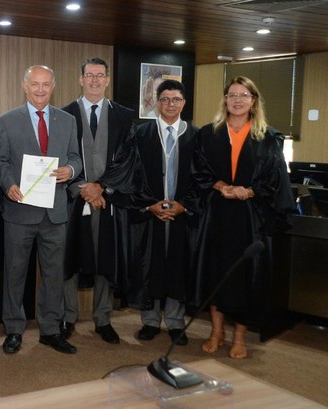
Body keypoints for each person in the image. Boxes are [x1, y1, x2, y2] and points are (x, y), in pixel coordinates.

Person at [192, 76, 293, 359]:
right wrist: (223, 187)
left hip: (251, 216)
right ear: (224, 99)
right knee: (216, 273)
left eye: (244, 95)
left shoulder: (269, 137)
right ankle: (215, 332)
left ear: (253, 101)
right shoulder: (208, 134)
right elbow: (198, 171)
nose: (237, 100)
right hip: (217, 214)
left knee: (247, 275)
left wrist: (248, 191)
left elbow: (275, 178)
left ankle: (239, 336)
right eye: (232, 95)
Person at [0, 66, 80, 355]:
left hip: (55, 213)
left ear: (54, 85)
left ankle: (50, 330)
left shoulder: (68, 120)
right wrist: (8, 185)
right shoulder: (7, 120)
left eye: (46, 84)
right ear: (25, 86)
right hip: (19, 211)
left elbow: (75, 157)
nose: (41, 90)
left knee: (54, 274)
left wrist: (70, 170)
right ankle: (14, 330)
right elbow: (3, 162)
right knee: (15, 274)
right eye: (35, 84)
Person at [61, 57, 141, 344]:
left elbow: (127, 160)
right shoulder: (64, 114)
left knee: (106, 257)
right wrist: (81, 188)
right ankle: (68, 316)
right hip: (73, 200)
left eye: (100, 75)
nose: (95, 80)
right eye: (89, 75)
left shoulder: (123, 116)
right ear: (80, 79)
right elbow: (57, 158)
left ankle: (103, 318)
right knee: (69, 260)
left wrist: (102, 188)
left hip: (108, 201)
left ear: (107, 80)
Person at [128, 80, 198, 346]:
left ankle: (176, 323)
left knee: (177, 265)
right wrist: (149, 205)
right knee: (151, 265)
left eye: (176, 99)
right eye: (165, 99)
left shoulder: (194, 135)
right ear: (157, 103)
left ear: (183, 103)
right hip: (151, 212)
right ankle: (149, 321)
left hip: (182, 213)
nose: (171, 104)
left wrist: (185, 204)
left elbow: (201, 177)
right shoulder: (141, 134)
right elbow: (133, 175)